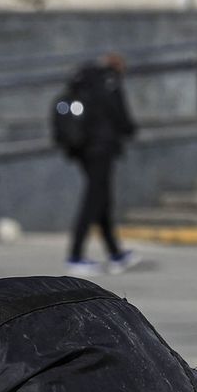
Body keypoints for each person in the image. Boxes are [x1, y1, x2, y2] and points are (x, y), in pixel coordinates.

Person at [64, 52, 139, 276]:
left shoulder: (85, 81)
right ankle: (75, 255)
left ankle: (115, 253)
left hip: (84, 149)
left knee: (101, 201)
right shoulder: (109, 82)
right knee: (93, 201)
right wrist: (129, 129)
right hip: (102, 148)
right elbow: (120, 115)